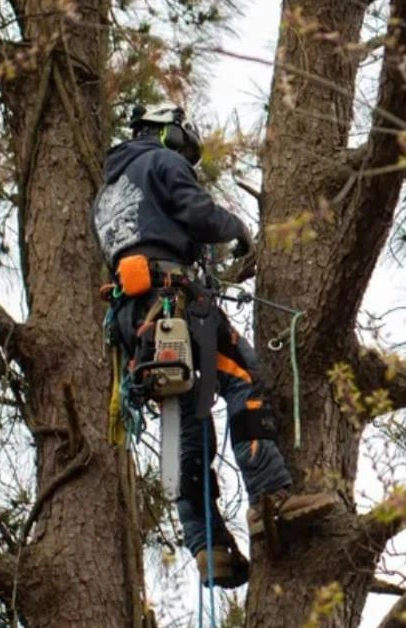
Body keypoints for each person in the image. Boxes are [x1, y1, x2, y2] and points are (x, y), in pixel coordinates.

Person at [91, 102, 339, 588]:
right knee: (242, 375)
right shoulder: (162, 161)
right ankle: (272, 500)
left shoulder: (108, 190)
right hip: (173, 302)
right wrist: (237, 229)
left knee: (186, 421)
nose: (186, 154)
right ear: (165, 133)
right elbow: (195, 211)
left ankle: (208, 547)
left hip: (132, 317)